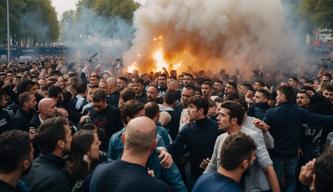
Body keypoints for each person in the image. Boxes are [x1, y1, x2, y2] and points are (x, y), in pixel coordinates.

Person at [255, 85, 333, 192]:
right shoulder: (299, 111)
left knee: (276, 182)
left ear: (283, 96)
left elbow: (264, 129)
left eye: (277, 95)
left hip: (277, 155)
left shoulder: (272, 112)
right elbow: (320, 119)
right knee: (291, 181)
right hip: (292, 155)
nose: (276, 98)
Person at [205, 101, 280, 192]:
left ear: (234, 120)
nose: (217, 118)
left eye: (222, 115)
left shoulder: (252, 136)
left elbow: (268, 168)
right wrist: (203, 182)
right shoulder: (220, 138)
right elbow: (212, 166)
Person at [90, 117, 173, 192]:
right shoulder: (159, 188)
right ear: (154, 145)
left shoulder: (98, 171)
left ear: (123, 139)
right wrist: (150, 181)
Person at [167, 96, 220, 189]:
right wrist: (161, 149)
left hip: (216, 175)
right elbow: (174, 148)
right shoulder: (187, 128)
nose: (187, 110)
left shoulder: (217, 128)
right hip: (195, 175)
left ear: (200, 110)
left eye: (191, 107)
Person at [24, 117, 72, 192]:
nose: (73, 138)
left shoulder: (31, 166)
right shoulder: (57, 182)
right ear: (60, 144)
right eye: (70, 135)